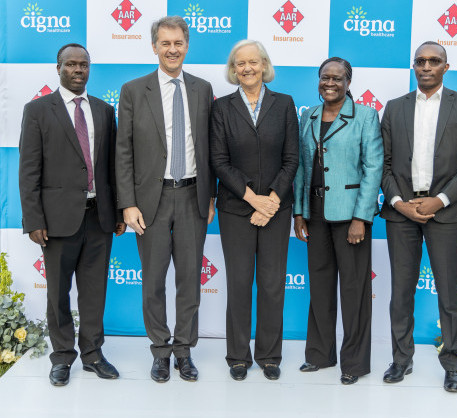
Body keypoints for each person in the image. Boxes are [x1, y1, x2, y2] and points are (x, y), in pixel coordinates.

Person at [115, 16, 215, 383]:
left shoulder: (203, 89)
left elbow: (210, 148)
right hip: (149, 203)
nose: (172, 50)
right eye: (165, 43)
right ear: (154, 46)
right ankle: (160, 350)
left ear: (187, 46)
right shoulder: (133, 90)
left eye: (178, 43)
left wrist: (211, 195)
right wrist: (128, 203)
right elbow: (123, 151)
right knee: (153, 281)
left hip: (192, 196)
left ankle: (184, 350)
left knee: (189, 281)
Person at [19, 43, 125, 386]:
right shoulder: (37, 110)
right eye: (71, 64)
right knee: (58, 294)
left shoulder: (104, 110)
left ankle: (93, 354)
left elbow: (113, 166)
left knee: (94, 292)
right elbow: (29, 170)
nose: (78, 70)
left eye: (84, 65)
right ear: (59, 68)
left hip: (99, 217)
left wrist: (119, 210)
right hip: (56, 220)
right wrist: (34, 219)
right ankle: (62, 357)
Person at [381, 41, 457, 392]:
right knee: (401, 291)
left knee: (450, 293)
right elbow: (383, 164)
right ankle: (401, 359)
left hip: (447, 212)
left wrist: (439, 200)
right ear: (414, 66)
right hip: (401, 213)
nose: (426, 66)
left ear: (445, 66)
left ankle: (453, 364)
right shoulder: (394, 107)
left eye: (434, 61)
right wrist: (399, 202)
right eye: (420, 61)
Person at [210, 40, 299, 381]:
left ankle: (270, 356)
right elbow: (219, 161)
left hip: (277, 208)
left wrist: (271, 201)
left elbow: (292, 158)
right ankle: (237, 356)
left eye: (253, 62)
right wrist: (253, 199)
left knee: (273, 284)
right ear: (233, 70)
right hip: (236, 209)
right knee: (239, 283)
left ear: (264, 65)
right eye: (240, 63)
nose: (247, 68)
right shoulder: (222, 107)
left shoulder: (284, 103)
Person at [293, 57, 383, 385]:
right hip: (315, 213)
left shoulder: (365, 116)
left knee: (354, 289)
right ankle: (319, 354)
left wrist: (361, 217)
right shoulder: (309, 115)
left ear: (348, 82)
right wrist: (299, 211)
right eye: (324, 77)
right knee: (319, 285)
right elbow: (301, 167)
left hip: (350, 215)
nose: (329, 83)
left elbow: (373, 168)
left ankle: (354, 363)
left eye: (337, 78)